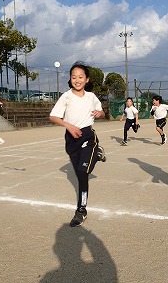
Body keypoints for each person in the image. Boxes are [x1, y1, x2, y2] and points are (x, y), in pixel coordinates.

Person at [49, 61, 106, 227]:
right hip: (71, 139)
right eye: (74, 77)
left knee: (82, 171)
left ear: (87, 79)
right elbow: (53, 116)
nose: (77, 80)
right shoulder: (66, 96)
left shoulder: (91, 97)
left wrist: (99, 113)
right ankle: (97, 154)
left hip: (87, 135)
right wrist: (69, 126)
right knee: (81, 176)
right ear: (70, 79)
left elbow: (101, 111)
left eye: (81, 77)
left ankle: (81, 210)